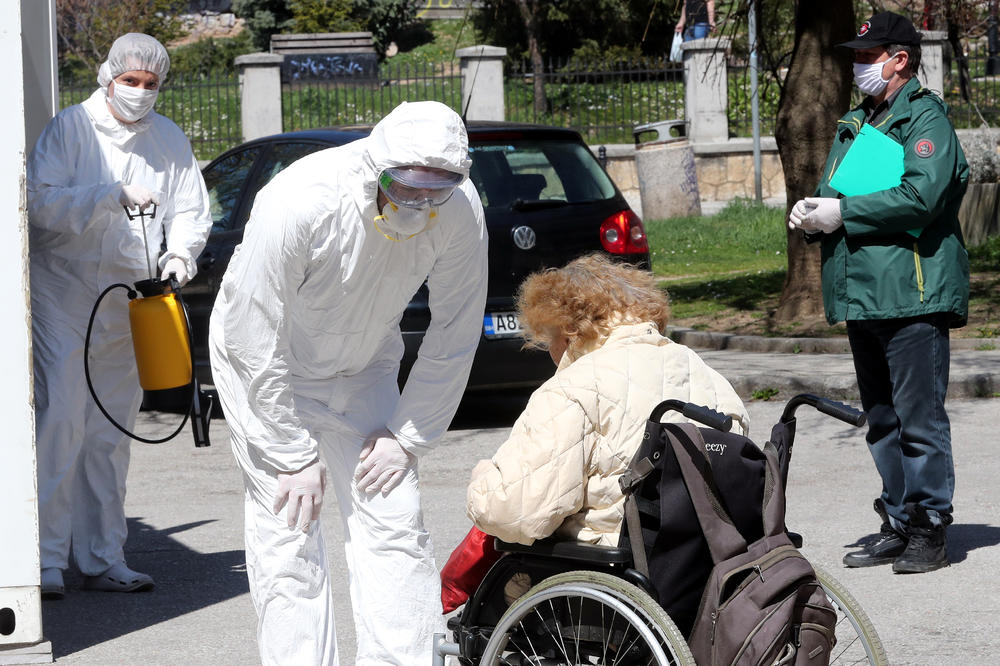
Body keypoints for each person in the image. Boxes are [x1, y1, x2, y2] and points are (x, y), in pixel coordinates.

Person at [209, 100, 488, 665]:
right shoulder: (300, 199)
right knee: (290, 538)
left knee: (395, 527)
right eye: (406, 186)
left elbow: (456, 331)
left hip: (366, 369)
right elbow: (250, 333)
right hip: (273, 372)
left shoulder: (461, 209)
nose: (420, 202)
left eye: (438, 189)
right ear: (376, 167)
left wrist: (406, 435)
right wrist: (288, 452)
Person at [28, 33, 212, 599]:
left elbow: (191, 208)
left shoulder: (168, 137)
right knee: (62, 419)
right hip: (65, 295)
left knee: (110, 433)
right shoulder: (70, 129)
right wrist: (107, 195)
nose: (140, 91)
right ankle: (44, 560)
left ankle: (103, 558)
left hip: (130, 304)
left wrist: (180, 256)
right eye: (130, 80)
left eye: (150, 83)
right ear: (108, 77)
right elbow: (38, 204)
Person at [788, 11, 968, 574]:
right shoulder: (859, 121)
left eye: (869, 56)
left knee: (919, 421)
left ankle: (929, 526)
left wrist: (842, 212)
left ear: (900, 60)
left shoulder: (925, 120)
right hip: (864, 295)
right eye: (857, 56)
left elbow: (921, 197)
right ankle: (899, 519)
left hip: (912, 295)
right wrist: (815, 214)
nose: (858, 65)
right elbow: (842, 194)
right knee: (883, 420)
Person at [466, 253, 748, 548]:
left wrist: (482, 478)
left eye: (549, 339)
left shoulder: (572, 388)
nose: (550, 352)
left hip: (620, 555)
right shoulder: (706, 373)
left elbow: (515, 513)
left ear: (568, 333)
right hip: (709, 551)